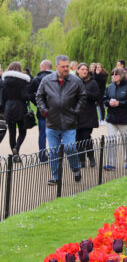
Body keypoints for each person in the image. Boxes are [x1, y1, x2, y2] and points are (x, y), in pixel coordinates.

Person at [36, 55, 86, 185]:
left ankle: (75, 168)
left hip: (69, 122)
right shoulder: (46, 80)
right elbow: (39, 96)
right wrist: (44, 111)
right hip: (52, 122)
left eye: (67, 66)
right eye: (63, 67)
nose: (66, 69)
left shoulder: (76, 81)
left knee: (70, 148)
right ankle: (55, 176)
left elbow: (82, 97)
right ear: (56, 66)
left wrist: (76, 112)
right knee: (53, 151)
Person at [103, 67, 127, 170]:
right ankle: (110, 163)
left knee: (126, 140)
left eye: (116, 74)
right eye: (113, 74)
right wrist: (109, 102)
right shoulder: (110, 87)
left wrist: (120, 103)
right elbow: (104, 99)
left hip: (124, 119)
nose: (114, 76)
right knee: (111, 140)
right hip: (111, 119)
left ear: (121, 75)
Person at [1, 62, 32, 162]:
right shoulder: (22, 81)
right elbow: (24, 96)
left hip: (9, 108)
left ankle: (15, 156)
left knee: (12, 132)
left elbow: (3, 97)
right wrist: (30, 96)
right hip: (20, 108)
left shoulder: (4, 81)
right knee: (23, 131)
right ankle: (17, 148)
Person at [76, 63, 101, 168]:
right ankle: (81, 160)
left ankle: (91, 156)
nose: (85, 71)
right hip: (77, 114)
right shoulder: (74, 82)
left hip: (89, 114)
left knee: (86, 137)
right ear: (78, 71)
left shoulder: (92, 82)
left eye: (86, 69)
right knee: (78, 138)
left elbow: (97, 97)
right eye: (82, 69)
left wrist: (85, 92)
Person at [30, 59, 53, 162]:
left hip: (42, 110)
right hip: (55, 109)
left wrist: (37, 103)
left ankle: (43, 156)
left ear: (43, 67)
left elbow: (29, 93)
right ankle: (55, 155)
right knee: (56, 133)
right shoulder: (57, 78)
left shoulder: (36, 79)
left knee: (42, 133)